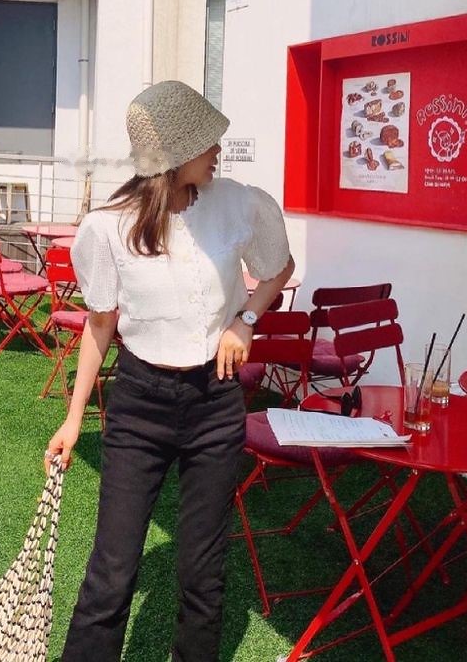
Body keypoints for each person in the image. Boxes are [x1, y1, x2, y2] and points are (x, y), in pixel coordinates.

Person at [45, 80, 294, 662]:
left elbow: (279, 267)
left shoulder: (239, 203)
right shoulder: (108, 227)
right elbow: (100, 326)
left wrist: (246, 320)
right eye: (208, 141)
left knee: (203, 572)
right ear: (176, 153)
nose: (218, 150)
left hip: (216, 400)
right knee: (112, 571)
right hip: (139, 404)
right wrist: (74, 419)